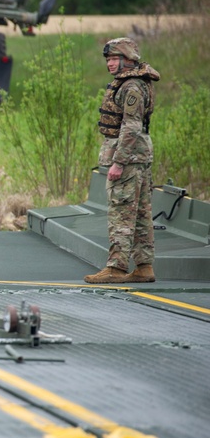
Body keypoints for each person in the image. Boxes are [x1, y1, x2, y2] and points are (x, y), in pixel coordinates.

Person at [84, 37, 161, 284]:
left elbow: (130, 127)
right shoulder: (135, 83)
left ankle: (116, 268)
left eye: (114, 59)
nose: (109, 64)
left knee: (122, 212)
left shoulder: (131, 88)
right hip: (137, 156)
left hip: (128, 158)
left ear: (128, 59)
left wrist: (118, 162)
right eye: (108, 59)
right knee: (140, 213)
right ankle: (143, 266)